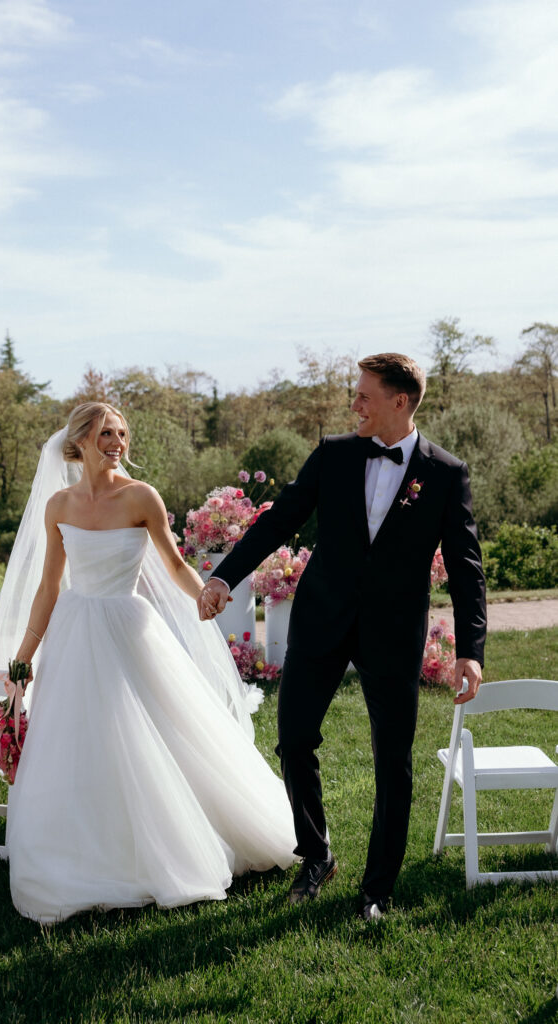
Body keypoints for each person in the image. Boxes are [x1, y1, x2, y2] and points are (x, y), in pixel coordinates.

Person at [199, 353, 486, 922]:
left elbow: (466, 566)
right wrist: (224, 577)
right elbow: (279, 520)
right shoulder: (333, 454)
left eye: (363, 395)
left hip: (393, 633)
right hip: (320, 620)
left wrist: (470, 652)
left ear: (399, 401)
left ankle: (377, 889)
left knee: (393, 761)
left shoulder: (446, 473)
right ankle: (316, 854)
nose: (354, 404)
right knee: (293, 739)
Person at [0, 402, 296, 924]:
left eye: (122, 434)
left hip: (129, 629)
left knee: (153, 733)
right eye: (106, 434)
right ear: (80, 441)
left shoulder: (140, 496)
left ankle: (170, 844)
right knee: (79, 741)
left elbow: (174, 564)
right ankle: (84, 849)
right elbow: (48, 588)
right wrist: (23, 656)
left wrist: (206, 596)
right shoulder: (59, 505)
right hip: (74, 632)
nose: (118, 443)